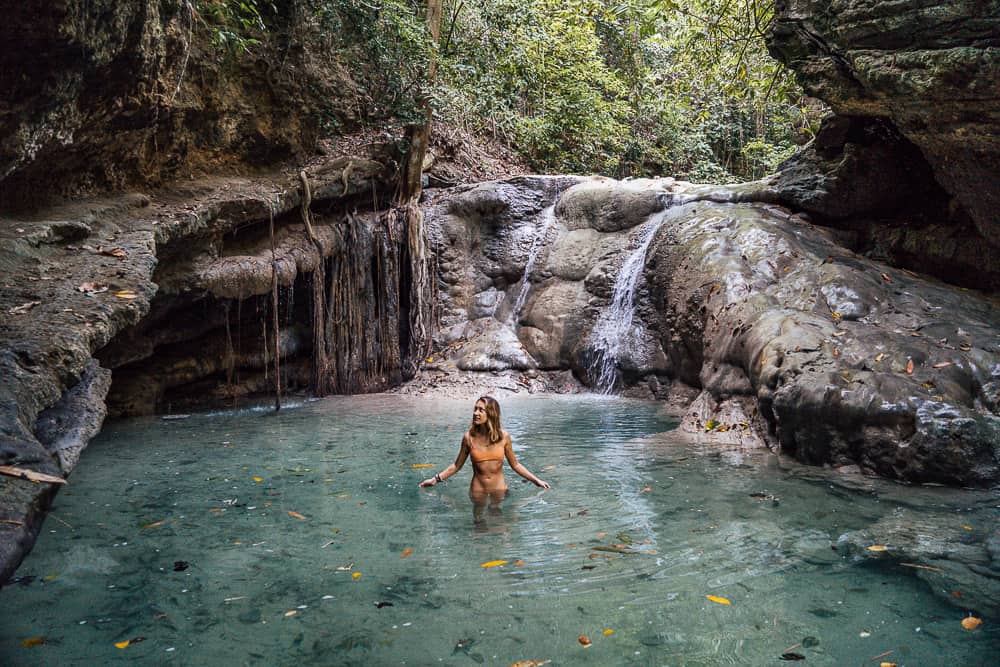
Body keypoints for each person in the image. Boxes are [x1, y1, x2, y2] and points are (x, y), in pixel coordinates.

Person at [419, 396, 550, 520]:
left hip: (500, 489)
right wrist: (435, 479)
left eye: (481, 410)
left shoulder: (504, 437)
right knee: (478, 524)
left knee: (499, 523)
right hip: (478, 491)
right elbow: (456, 466)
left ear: (491, 413)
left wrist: (536, 481)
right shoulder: (468, 437)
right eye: (475, 409)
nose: (476, 413)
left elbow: (515, 465)